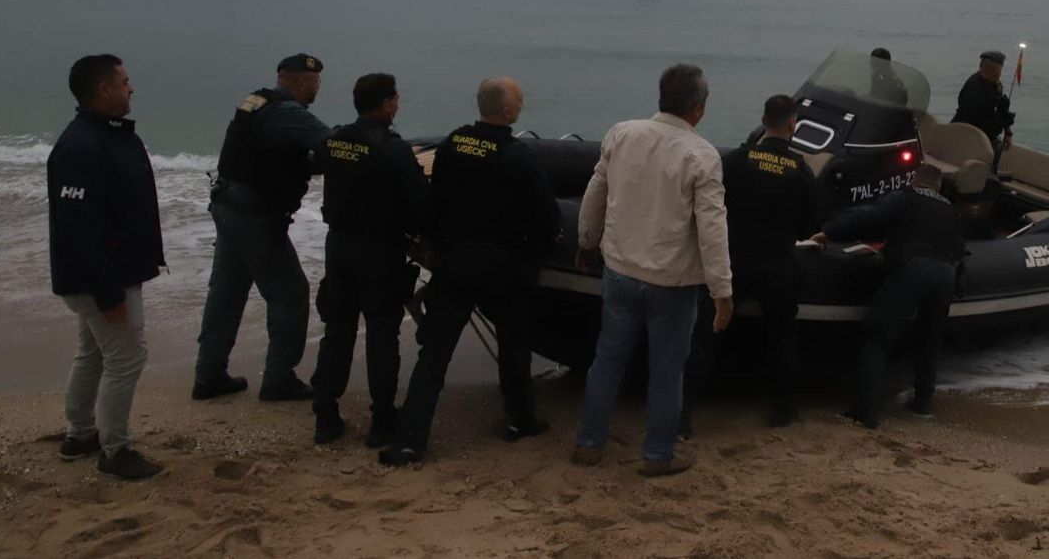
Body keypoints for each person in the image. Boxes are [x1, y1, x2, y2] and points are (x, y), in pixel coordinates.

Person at [381, 77, 558, 466]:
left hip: (454, 265)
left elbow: (435, 201)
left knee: (435, 354)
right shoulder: (519, 157)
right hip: (503, 269)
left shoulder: (452, 145)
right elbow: (546, 218)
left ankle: (411, 439)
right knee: (513, 347)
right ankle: (519, 420)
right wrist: (533, 255)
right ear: (510, 112)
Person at [572, 64, 734, 477]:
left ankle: (589, 444)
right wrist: (722, 290)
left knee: (607, 359)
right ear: (697, 108)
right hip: (672, 283)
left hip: (621, 271)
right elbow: (712, 228)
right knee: (667, 372)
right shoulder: (702, 154)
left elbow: (596, 190)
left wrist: (585, 241)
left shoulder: (622, 133)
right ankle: (658, 454)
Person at [47, 54, 165, 479]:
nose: (131, 88)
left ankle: (80, 433)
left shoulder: (109, 135)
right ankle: (115, 451)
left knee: (94, 353)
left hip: (111, 271)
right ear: (104, 90)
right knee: (127, 358)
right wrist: (108, 291)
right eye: (125, 81)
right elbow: (79, 229)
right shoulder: (81, 147)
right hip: (101, 279)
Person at [194, 53, 332, 402]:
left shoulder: (255, 102)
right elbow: (333, 145)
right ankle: (278, 379)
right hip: (255, 217)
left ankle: (209, 375)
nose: (318, 89)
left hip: (228, 206)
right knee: (290, 291)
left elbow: (274, 156)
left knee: (226, 292)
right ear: (301, 81)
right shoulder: (287, 113)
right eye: (316, 82)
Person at [684, 94, 818, 433]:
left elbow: (711, 203)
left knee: (708, 335)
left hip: (735, 261)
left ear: (763, 119)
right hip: (778, 265)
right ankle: (783, 410)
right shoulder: (801, 170)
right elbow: (808, 226)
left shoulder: (737, 160)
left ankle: (684, 412)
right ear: (793, 124)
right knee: (783, 337)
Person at [311, 73, 431, 447]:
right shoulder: (393, 149)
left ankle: (326, 417)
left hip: (339, 247)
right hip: (380, 251)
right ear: (388, 103)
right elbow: (420, 206)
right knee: (382, 335)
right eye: (395, 99)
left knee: (337, 332)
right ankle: (382, 421)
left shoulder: (335, 141)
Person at [814, 163, 965, 429]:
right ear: (938, 186)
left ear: (914, 180)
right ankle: (923, 404)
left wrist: (829, 232)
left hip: (913, 269)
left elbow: (869, 216)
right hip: (946, 276)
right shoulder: (951, 211)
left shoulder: (904, 198)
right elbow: (961, 250)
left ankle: (865, 411)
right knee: (929, 342)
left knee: (876, 336)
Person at [951, 49, 1015, 150]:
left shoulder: (995, 84)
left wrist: (1008, 132)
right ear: (983, 68)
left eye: (999, 71)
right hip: (967, 137)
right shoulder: (974, 90)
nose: (998, 75)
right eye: (995, 72)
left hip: (985, 137)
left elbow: (1003, 108)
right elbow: (977, 121)